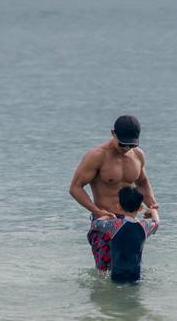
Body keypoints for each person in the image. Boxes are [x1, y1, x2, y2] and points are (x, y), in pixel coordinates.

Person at [69, 115, 158, 271]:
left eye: (131, 145)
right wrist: (97, 211)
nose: (126, 148)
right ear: (113, 133)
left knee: (129, 271)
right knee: (104, 274)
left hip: (130, 226)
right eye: (122, 143)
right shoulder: (97, 156)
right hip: (104, 224)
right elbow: (75, 188)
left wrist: (151, 205)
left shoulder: (138, 155)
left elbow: (142, 182)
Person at [91, 186, 160, 283]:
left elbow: (95, 225)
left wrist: (106, 216)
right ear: (140, 208)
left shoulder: (114, 225)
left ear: (119, 206)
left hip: (116, 274)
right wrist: (153, 211)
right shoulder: (144, 226)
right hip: (135, 274)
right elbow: (156, 223)